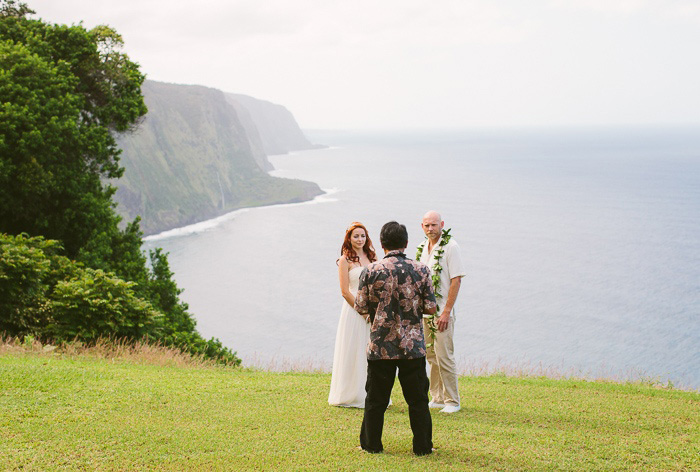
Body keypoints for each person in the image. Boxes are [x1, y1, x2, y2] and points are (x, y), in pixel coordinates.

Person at [355, 221, 437, 455]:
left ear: (382, 244)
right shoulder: (421, 270)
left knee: (376, 399)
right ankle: (422, 447)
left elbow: (360, 306)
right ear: (406, 243)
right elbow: (431, 308)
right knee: (418, 400)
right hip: (412, 346)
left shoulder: (370, 271)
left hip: (381, 345)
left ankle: (371, 445)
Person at [416, 210, 466, 414]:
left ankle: (452, 401)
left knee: (445, 356)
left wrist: (446, 312)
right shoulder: (421, 248)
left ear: (442, 224)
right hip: (425, 312)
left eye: (434, 225)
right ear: (422, 226)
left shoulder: (451, 247)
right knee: (431, 355)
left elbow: (457, 280)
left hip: (442, 312)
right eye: (427, 225)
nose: (430, 229)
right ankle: (436, 397)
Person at [328, 222, 377, 408]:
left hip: (372, 310)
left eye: (362, 236)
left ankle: (369, 393)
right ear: (349, 238)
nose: (359, 239)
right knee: (352, 349)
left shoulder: (372, 258)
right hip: (353, 310)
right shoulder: (344, 260)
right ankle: (350, 394)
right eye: (356, 236)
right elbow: (344, 291)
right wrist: (362, 310)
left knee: (369, 352)